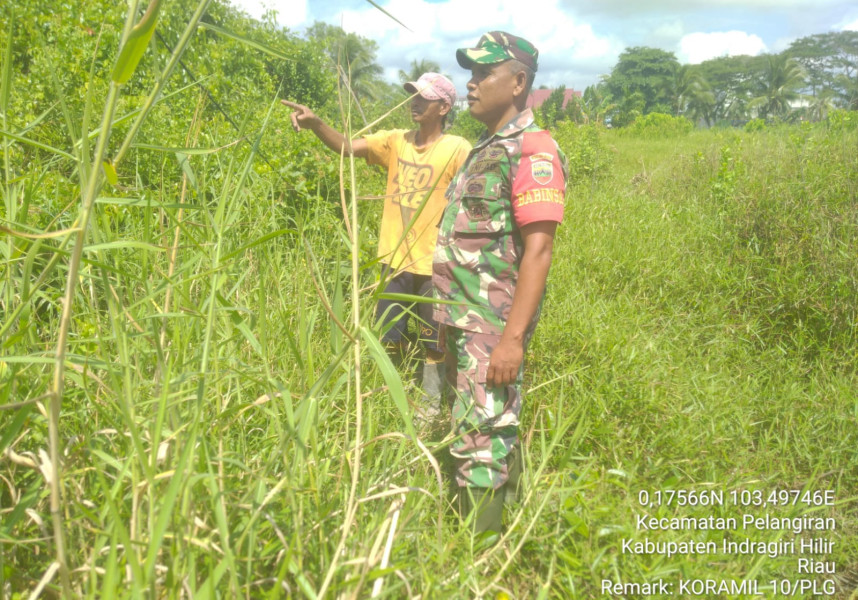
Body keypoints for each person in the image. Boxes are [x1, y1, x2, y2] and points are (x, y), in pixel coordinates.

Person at [432, 32, 567, 534]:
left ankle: (480, 554)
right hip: (464, 322)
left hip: (493, 326)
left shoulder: (533, 150)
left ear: (518, 82)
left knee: (484, 432)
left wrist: (511, 340)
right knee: (468, 424)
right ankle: (470, 528)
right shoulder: (484, 149)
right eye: (469, 74)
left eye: (482, 74)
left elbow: (539, 250)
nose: (470, 84)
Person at [282, 73, 472, 422]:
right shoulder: (395, 141)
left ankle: (429, 406)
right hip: (392, 260)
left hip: (434, 265)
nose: (414, 102)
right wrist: (317, 124)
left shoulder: (458, 148)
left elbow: (473, 197)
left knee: (434, 341)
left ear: (444, 107)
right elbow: (346, 147)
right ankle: (391, 393)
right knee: (389, 335)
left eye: (423, 97)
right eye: (412, 95)